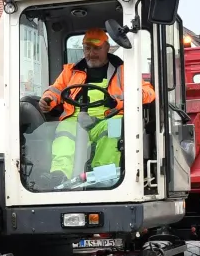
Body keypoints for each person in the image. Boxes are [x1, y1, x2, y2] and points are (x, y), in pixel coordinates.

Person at [37, 29, 157, 185]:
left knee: (115, 128)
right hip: (75, 120)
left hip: (108, 117)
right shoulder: (70, 71)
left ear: (107, 48)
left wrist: (125, 100)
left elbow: (148, 92)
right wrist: (47, 100)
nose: (91, 53)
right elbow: (55, 90)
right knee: (64, 129)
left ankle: (102, 179)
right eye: (87, 48)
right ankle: (59, 175)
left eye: (96, 48)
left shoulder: (123, 71)